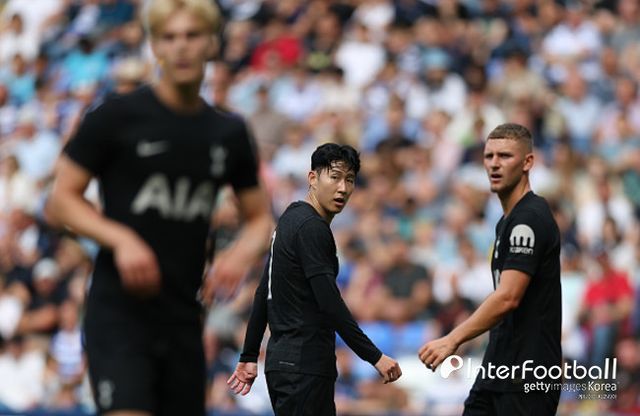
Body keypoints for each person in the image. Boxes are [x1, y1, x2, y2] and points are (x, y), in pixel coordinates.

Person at [46, 0, 273, 414]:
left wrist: (239, 254)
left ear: (211, 43)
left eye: (192, 35)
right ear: (155, 46)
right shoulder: (118, 116)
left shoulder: (227, 133)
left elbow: (259, 218)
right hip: (120, 311)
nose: (181, 47)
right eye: (169, 37)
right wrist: (120, 239)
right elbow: (60, 200)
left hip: (184, 316)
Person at [227, 143, 401, 415]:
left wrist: (249, 355)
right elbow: (330, 302)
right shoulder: (312, 228)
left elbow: (264, 290)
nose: (343, 188)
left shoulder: (289, 218)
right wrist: (374, 356)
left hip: (284, 363)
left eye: (350, 180)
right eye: (335, 177)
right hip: (304, 365)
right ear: (313, 178)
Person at [418, 123, 562, 415]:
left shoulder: (529, 219)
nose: (494, 164)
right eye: (489, 156)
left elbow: (508, 297)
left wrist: (452, 338)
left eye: (505, 156)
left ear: (528, 162)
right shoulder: (506, 222)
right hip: (499, 365)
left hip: (529, 371)